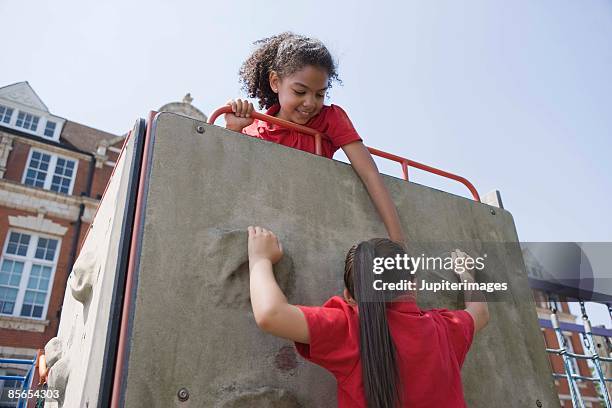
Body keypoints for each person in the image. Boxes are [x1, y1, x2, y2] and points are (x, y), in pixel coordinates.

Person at [247, 225, 489, 408]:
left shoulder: (350, 328)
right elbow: (480, 312)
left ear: (350, 296)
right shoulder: (444, 329)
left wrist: (260, 259)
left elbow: (270, 314)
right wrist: (467, 274)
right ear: (413, 284)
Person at [226, 32, 405, 244]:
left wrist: (399, 244)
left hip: (314, 229)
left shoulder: (330, 118)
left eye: (320, 94)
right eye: (300, 92)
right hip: (261, 231)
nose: (310, 103)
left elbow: (369, 174)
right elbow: (228, 182)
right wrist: (233, 132)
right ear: (275, 82)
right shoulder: (254, 128)